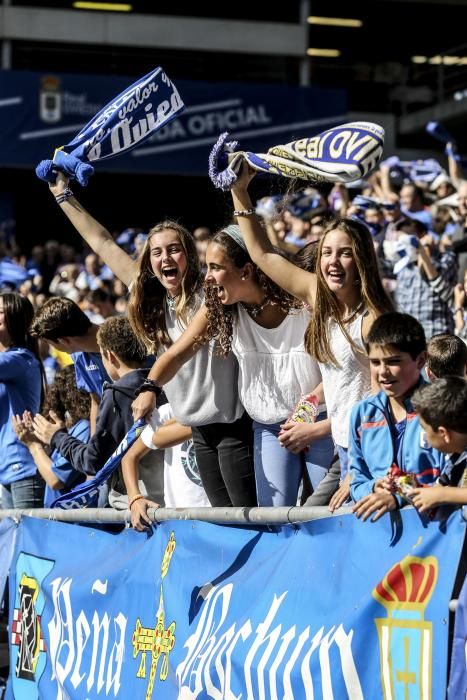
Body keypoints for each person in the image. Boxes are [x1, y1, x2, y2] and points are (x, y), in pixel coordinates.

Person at [47, 172, 255, 508]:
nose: (166, 258)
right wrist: (62, 195)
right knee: (225, 525)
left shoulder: (212, 293)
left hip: (234, 428)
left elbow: (178, 352)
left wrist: (150, 387)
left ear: (189, 254)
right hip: (198, 432)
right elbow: (102, 243)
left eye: (175, 250)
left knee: (249, 519)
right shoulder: (153, 301)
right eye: (157, 253)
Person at [229, 164, 393, 509]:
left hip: (367, 454)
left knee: (315, 526)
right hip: (343, 447)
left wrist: (355, 469)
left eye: (344, 253)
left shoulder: (373, 320)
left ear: (361, 259)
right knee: (313, 527)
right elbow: (261, 255)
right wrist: (239, 191)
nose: (333, 262)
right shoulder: (320, 296)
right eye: (327, 253)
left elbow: (383, 406)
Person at [133, 225, 334, 506]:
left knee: (323, 512)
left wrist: (307, 408)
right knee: (274, 521)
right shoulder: (221, 307)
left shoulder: (301, 303)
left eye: (215, 267)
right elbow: (177, 354)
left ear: (247, 271)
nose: (208, 278)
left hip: (319, 420)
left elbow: (339, 370)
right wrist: (150, 387)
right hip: (269, 427)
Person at [31, 317, 165, 508]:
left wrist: (57, 437)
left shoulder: (117, 393)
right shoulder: (163, 380)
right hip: (171, 495)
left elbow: (94, 461)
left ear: (109, 356)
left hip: (140, 503)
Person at [350, 313, 448, 522]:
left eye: (393, 361)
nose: (383, 372)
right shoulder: (361, 414)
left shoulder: (442, 411)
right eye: (375, 362)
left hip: (436, 539)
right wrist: (374, 487)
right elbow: (356, 483)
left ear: (421, 360)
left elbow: (452, 484)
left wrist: (400, 496)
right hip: (383, 538)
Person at [123, 401, 210, 530]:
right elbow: (129, 457)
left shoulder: (228, 403)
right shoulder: (168, 412)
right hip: (178, 523)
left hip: (220, 520)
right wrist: (135, 498)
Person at [12, 365, 90, 506]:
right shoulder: (73, 428)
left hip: (74, 523)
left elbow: (55, 479)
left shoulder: (84, 428)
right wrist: (39, 441)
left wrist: (34, 446)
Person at [30, 297, 111, 433]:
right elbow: (96, 401)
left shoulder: (118, 336)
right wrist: (94, 446)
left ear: (64, 341)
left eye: (51, 344)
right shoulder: (78, 356)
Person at [0, 292, 46, 508]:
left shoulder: (21, 358)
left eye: (0, 312)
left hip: (23, 466)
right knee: (9, 543)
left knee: (27, 541)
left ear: (15, 319)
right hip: (5, 468)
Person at [408, 377, 467, 512]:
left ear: (443, 433)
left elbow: (440, 493)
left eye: (425, 430)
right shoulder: (457, 457)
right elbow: (440, 485)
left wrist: (442, 495)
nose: (425, 437)